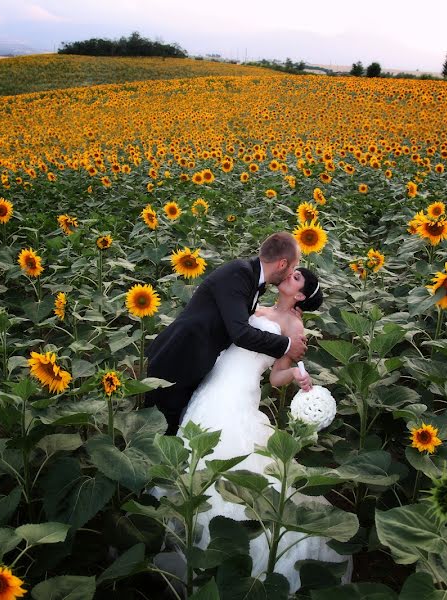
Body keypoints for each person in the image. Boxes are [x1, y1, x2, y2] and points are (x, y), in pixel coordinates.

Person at [178, 267, 352, 592]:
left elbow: (275, 377)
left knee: (230, 455)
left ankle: (233, 545)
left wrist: (297, 378)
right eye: (292, 271)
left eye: (297, 278)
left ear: (300, 295)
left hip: (241, 392)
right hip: (215, 382)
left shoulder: (294, 325)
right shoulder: (258, 306)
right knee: (195, 445)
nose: (290, 275)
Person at [145, 232, 307, 435]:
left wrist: (289, 314)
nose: (291, 273)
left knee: (176, 432)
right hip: (177, 358)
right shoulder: (239, 274)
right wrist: (287, 344)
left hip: (197, 363)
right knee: (158, 432)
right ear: (282, 264)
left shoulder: (249, 277)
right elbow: (240, 333)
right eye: (292, 267)